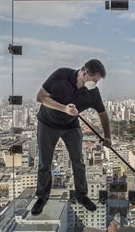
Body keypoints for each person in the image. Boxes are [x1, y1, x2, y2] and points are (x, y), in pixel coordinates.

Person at [32, 59, 111, 215]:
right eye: (94, 80)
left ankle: (82, 196)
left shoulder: (93, 93)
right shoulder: (61, 75)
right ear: (84, 72)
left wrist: (107, 136)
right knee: (44, 163)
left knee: (78, 162)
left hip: (71, 127)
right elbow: (40, 97)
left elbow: (102, 114)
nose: (95, 84)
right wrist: (64, 109)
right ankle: (42, 197)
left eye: (97, 82)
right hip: (47, 123)